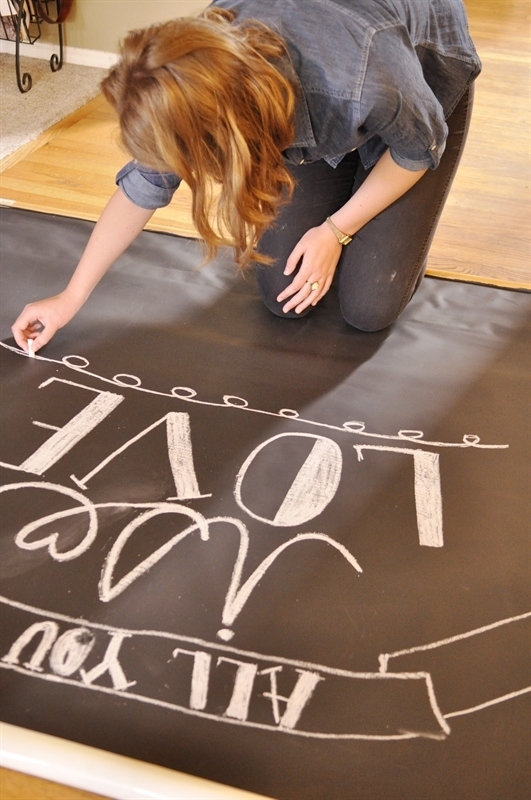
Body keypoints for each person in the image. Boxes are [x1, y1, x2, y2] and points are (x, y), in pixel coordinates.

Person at [12, 0, 481, 353]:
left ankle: (367, 189)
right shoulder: (189, 83)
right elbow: (142, 187)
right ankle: (353, 179)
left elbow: (417, 150)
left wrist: (335, 232)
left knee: (368, 309)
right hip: (304, 111)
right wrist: (70, 297)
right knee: (283, 296)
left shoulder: (358, 75)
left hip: (418, 89)